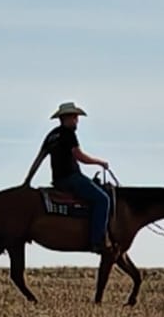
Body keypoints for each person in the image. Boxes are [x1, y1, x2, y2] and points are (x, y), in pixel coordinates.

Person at [25, 101, 112, 251]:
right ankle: (97, 240)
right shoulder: (68, 134)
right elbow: (80, 156)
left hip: (58, 181)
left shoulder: (52, 135)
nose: (77, 120)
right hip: (72, 178)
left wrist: (27, 181)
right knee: (103, 199)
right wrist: (100, 162)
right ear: (67, 118)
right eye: (75, 117)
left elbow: (39, 159)